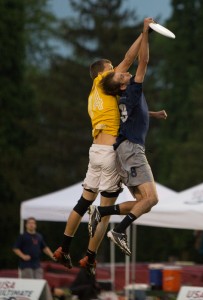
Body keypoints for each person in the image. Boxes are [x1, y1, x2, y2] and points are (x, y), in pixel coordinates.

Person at [53, 25, 146, 274]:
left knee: (83, 202)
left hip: (95, 149)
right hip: (110, 154)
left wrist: (152, 114)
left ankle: (63, 247)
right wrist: (144, 32)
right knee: (103, 213)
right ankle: (90, 257)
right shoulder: (104, 78)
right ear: (103, 71)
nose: (116, 69)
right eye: (111, 66)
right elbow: (130, 58)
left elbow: (127, 110)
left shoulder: (95, 93)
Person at [88, 17, 162, 256]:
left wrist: (153, 114)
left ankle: (102, 212)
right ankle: (119, 231)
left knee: (144, 204)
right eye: (116, 73)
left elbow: (132, 114)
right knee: (151, 199)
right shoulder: (128, 87)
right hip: (131, 150)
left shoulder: (119, 97)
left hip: (124, 150)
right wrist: (144, 33)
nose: (122, 72)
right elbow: (141, 60)